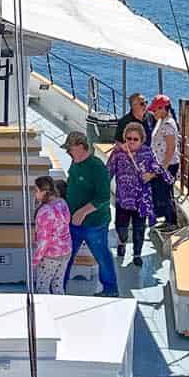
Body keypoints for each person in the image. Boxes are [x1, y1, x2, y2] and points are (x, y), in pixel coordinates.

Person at [61, 131, 119, 297]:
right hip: (72, 222)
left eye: (69, 149)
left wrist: (82, 213)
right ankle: (59, 288)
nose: (68, 153)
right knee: (66, 255)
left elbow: (103, 197)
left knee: (101, 255)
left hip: (95, 224)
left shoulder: (97, 167)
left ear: (80, 147)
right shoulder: (75, 163)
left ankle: (110, 289)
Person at [107, 122, 161, 266]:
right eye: (129, 138)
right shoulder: (118, 153)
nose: (131, 141)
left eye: (135, 139)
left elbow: (157, 168)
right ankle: (122, 242)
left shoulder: (147, 153)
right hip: (123, 199)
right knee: (121, 227)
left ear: (142, 140)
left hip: (140, 200)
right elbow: (108, 172)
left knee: (139, 229)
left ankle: (137, 254)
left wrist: (150, 175)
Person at [31, 174, 73, 295]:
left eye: (36, 190)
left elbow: (44, 241)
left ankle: (46, 312)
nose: (35, 194)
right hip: (66, 251)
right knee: (58, 285)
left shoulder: (44, 212)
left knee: (43, 287)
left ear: (44, 192)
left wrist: (35, 260)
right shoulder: (62, 202)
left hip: (50, 255)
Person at [148, 94, 181, 227]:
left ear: (163, 108)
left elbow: (170, 148)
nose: (153, 112)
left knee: (166, 194)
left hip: (168, 164)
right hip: (160, 164)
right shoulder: (162, 121)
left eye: (155, 109)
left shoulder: (168, 124)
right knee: (160, 192)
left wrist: (163, 167)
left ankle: (171, 222)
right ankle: (164, 218)